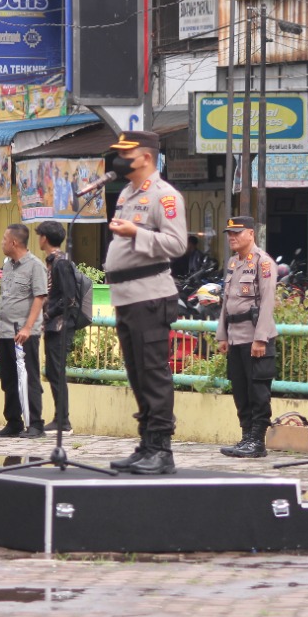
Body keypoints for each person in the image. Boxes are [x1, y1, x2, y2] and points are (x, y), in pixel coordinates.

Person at [103, 130, 188, 474]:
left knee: (153, 374)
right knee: (136, 374)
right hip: (126, 297)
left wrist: (136, 232)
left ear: (147, 157)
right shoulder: (127, 192)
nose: (120, 159)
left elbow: (177, 244)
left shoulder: (164, 196)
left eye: (127, 153)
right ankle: (147, 444)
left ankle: (162, 449)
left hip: (150, 296)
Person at [217, 216, 278, 458]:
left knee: (258, 391)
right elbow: (226, 302)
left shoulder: (263, 262)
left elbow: (267, 302)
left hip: (255, 337)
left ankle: (257, 440)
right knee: (240, 390)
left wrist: (261, 338)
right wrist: (222, 335)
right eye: (230, 234)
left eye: (237, 233)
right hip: (235, 337)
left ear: (251, 234)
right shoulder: (233, 263)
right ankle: (246, 436)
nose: (232, 237)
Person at [0, 223, 48, 439]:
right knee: (8, 379)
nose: (2, 243)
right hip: (5, 331)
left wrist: (27, 327)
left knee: (29, 378)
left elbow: (39, 297)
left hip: (24, 334)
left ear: (14, 242)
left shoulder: (35, 266)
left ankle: (35, 424)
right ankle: (13, 421)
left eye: (4, 240)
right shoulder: (7, 265)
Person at [36, 220, 80, 435]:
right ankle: (60, 418)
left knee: (57, 372)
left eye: (39, 236)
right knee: (53, 371)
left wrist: (48, 313)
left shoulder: (61, 263)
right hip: (54, 325)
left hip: (60, 326)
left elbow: (69, 298)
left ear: (44, 238)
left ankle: (63, 420)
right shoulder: (55, 261)